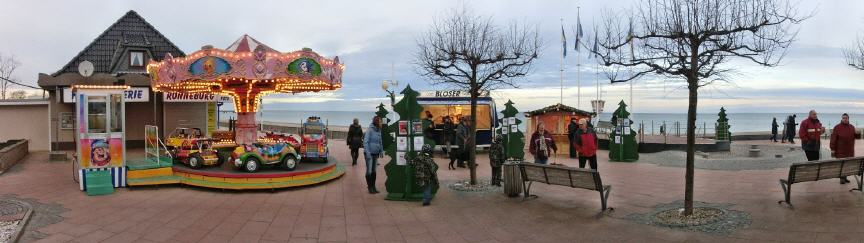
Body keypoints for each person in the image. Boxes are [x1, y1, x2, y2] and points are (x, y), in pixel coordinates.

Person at [830, 113, 855, 184]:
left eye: (846, 118)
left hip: (849, 150)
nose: (845, 119)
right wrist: (832, 149)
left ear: (848, 119)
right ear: (841, 119)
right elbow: (833, 139)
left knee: (847, 165)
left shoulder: (852, 127)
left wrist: (858, 134)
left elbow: (855, 137)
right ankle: (842, 178)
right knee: (841, 164)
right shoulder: (837, 127)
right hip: (840, 150)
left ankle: (845, 177)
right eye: (843, 118)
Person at [363, 116, 384, 194]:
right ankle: (370, 187)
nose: (381, 123)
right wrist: (368, 153)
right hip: (369, 154)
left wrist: (381, 151)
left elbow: (380, 141)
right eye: (380, 121)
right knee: (369, 171)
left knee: (374, 171)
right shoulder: (370, 130)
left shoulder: (379, 130)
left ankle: (373, 187)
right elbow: (365, 142)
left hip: (376, 153)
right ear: (377, 122)